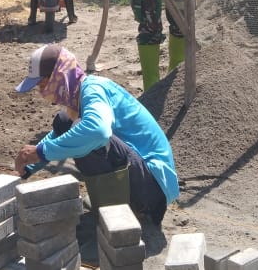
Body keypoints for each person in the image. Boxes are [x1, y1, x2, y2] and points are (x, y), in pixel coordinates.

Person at [13, 43, 178, 225]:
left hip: (153, 187)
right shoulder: (78, 98)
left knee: (90, 137)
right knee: (65, 122)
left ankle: (127, 209)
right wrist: (29, 165)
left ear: (59, 75)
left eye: (43, 84)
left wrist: (42, 151)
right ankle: (115, 200)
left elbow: (99, 131)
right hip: (141, 175)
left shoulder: (93, 89)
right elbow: (58, 135)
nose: (42, 93)